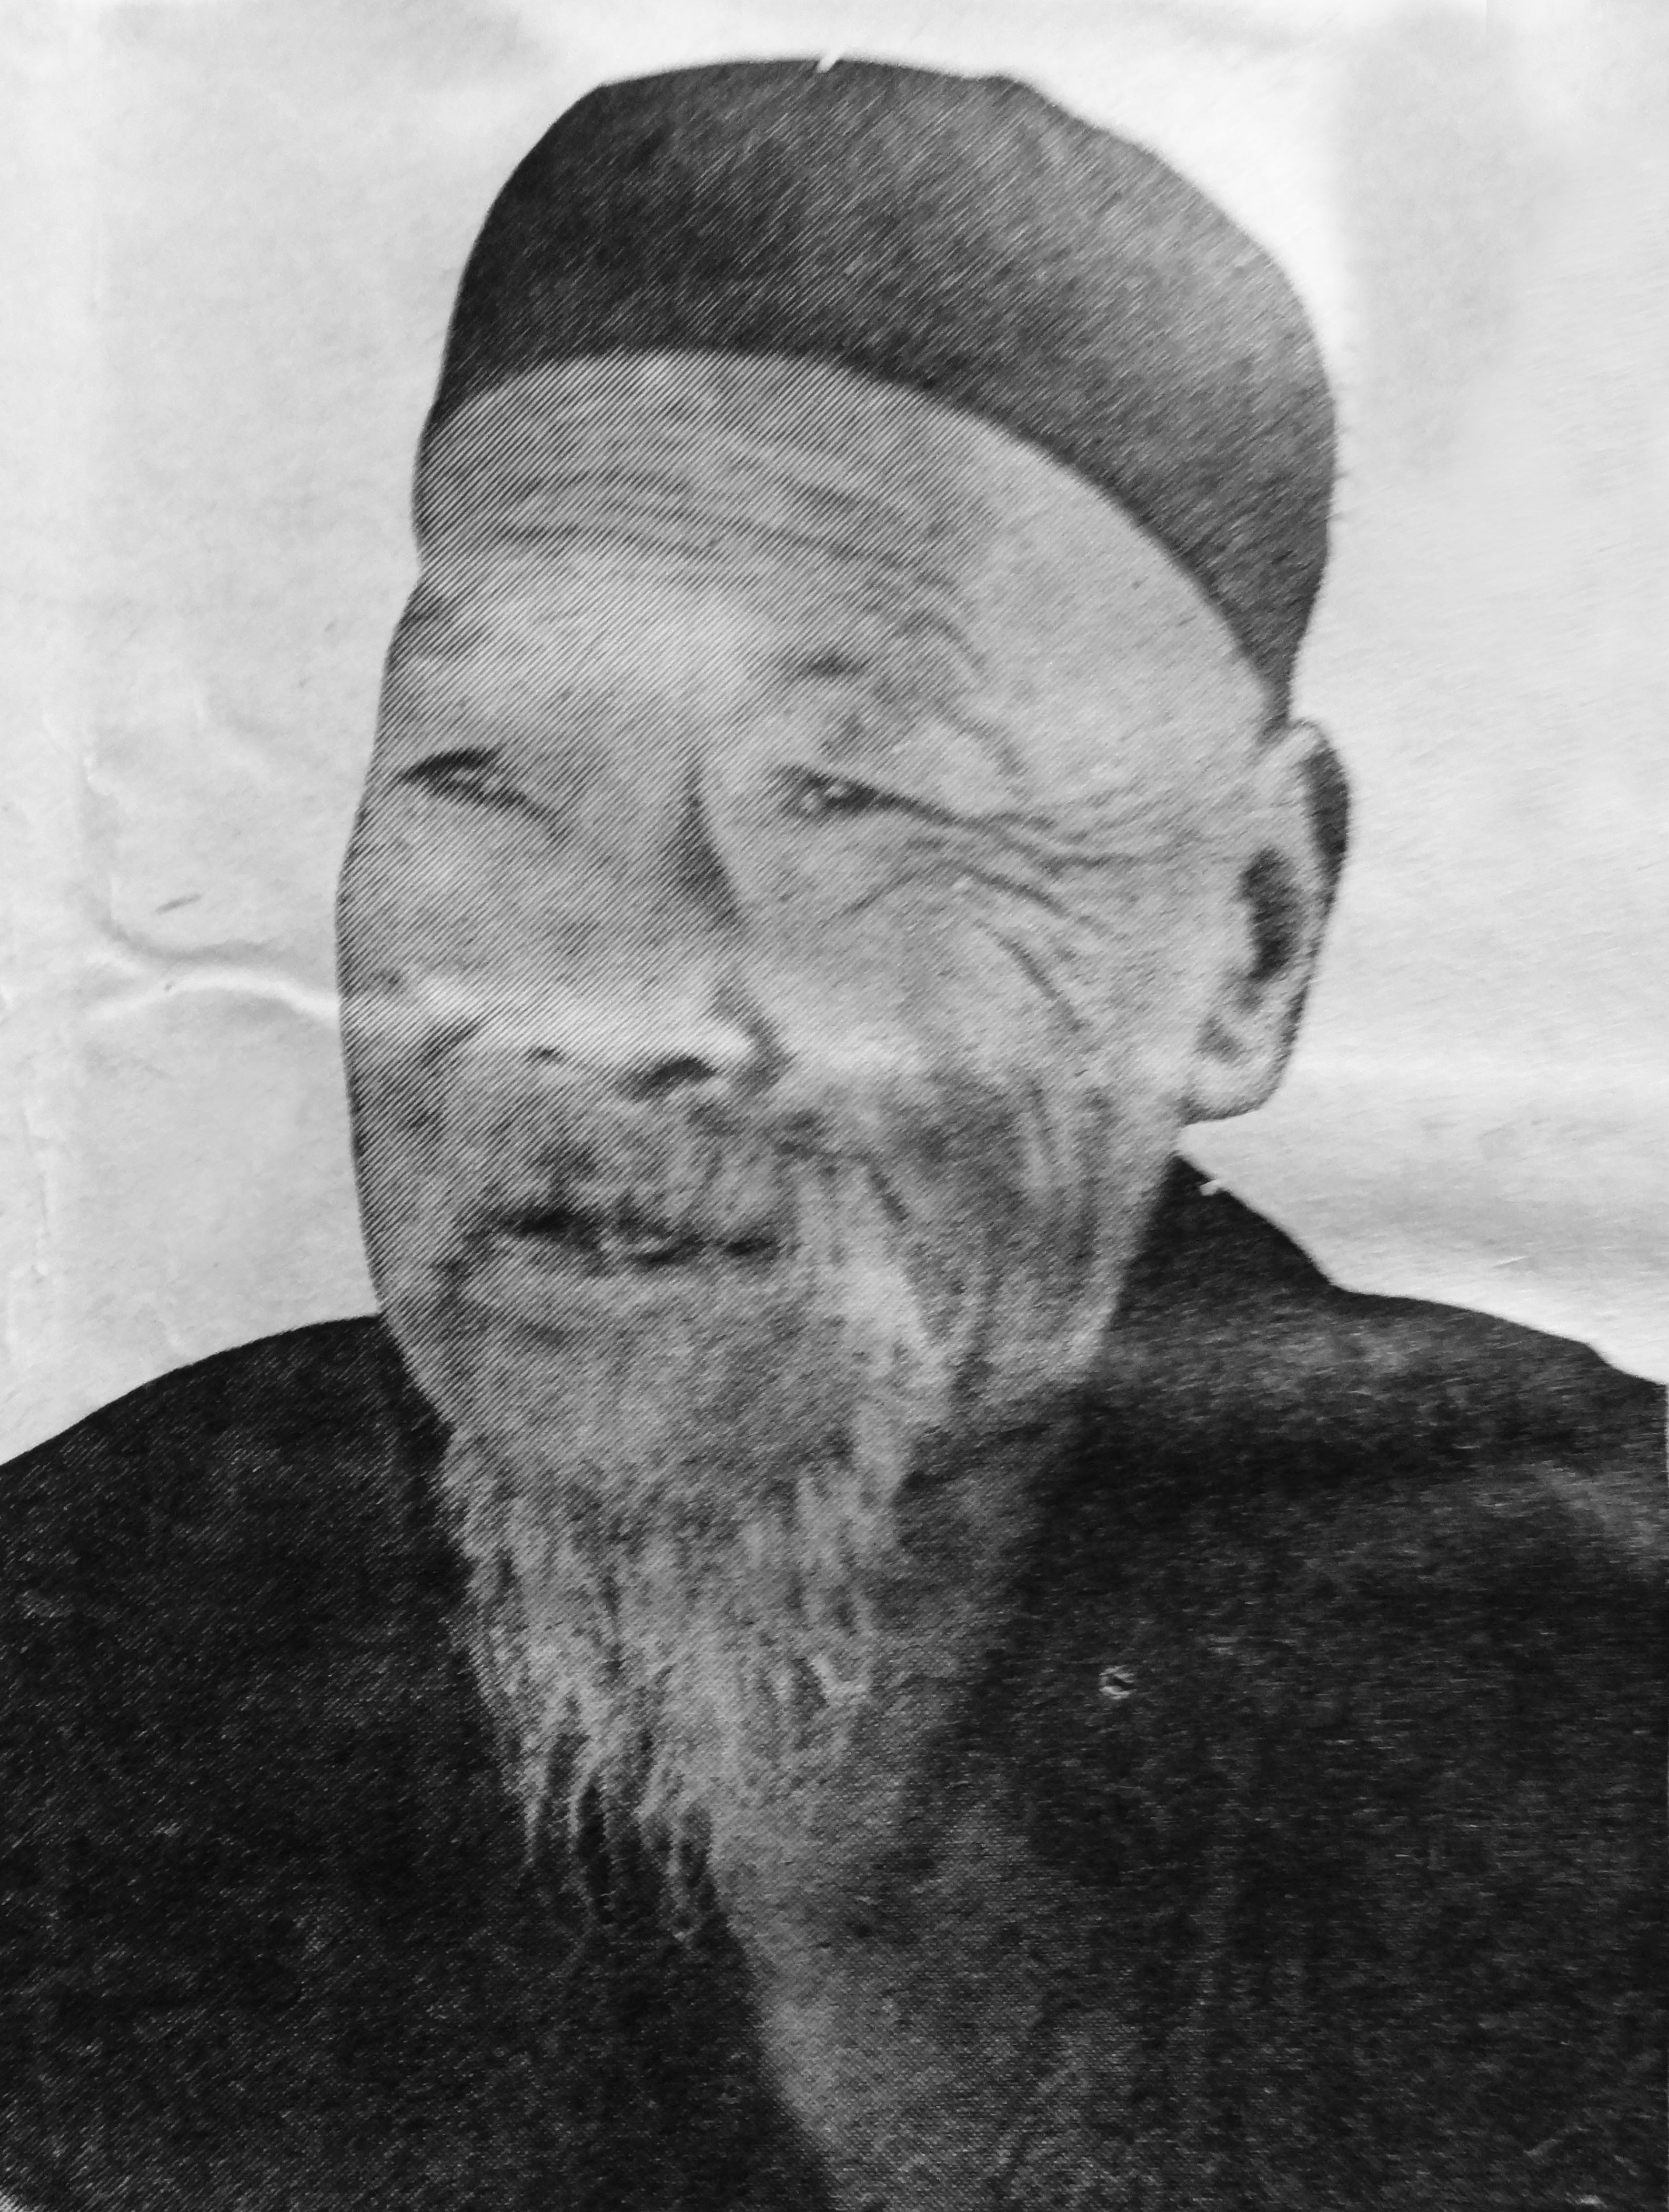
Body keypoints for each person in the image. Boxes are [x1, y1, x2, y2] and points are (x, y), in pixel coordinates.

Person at [0, 57, 1661, 2212]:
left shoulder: (1598, 1665)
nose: (608, 1003)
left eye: (851, 795)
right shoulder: (84, 1635)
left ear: (1248, 937)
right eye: (478, 769)